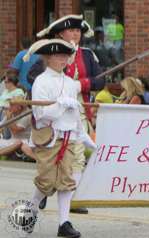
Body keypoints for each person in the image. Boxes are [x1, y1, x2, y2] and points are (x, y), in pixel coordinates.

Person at [23, 38, 96, 237]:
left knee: (66, 180)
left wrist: (83, 135)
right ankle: (29, 213)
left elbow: (76, 114)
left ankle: (64, 222)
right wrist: (60, 105)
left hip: (69, 137)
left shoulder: (71, 84)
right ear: (48, 57)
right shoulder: (41, 81)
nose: (63, 59)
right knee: (46, 182)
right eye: (58, 55)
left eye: (65, 55)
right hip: (49, 138)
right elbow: (41, 114)